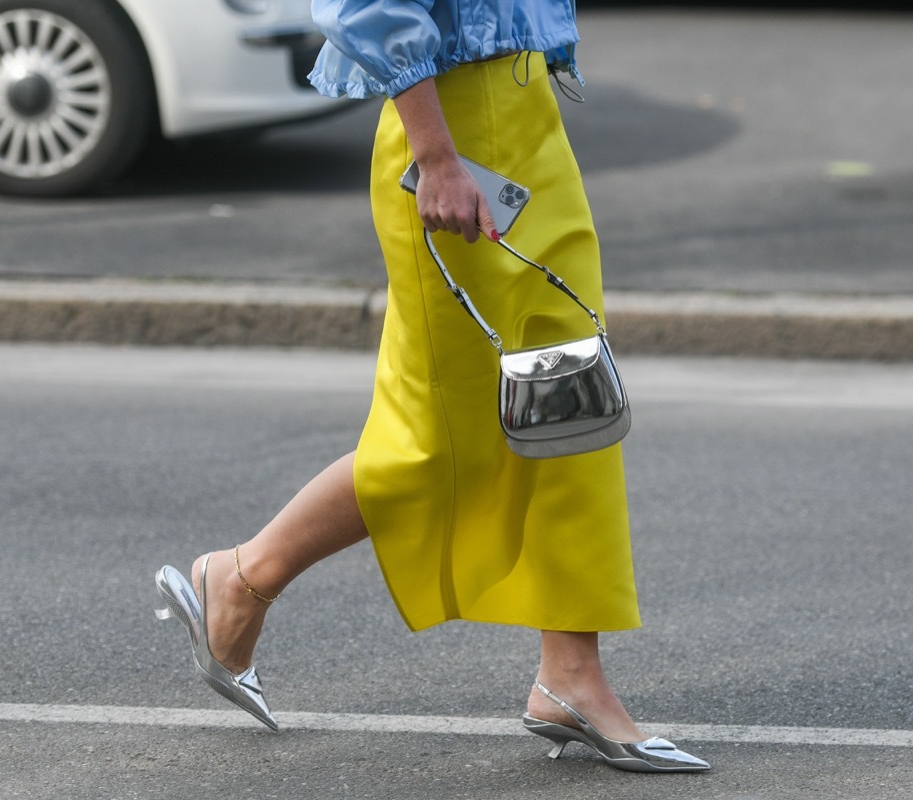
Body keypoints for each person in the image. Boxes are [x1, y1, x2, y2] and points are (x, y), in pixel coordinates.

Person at [154, 0, 710, 774]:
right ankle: (243, 577)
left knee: (566, 405)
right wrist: (437, 155)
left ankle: (570, 674)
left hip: (527, 119)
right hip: (449, 138)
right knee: (438, 440)